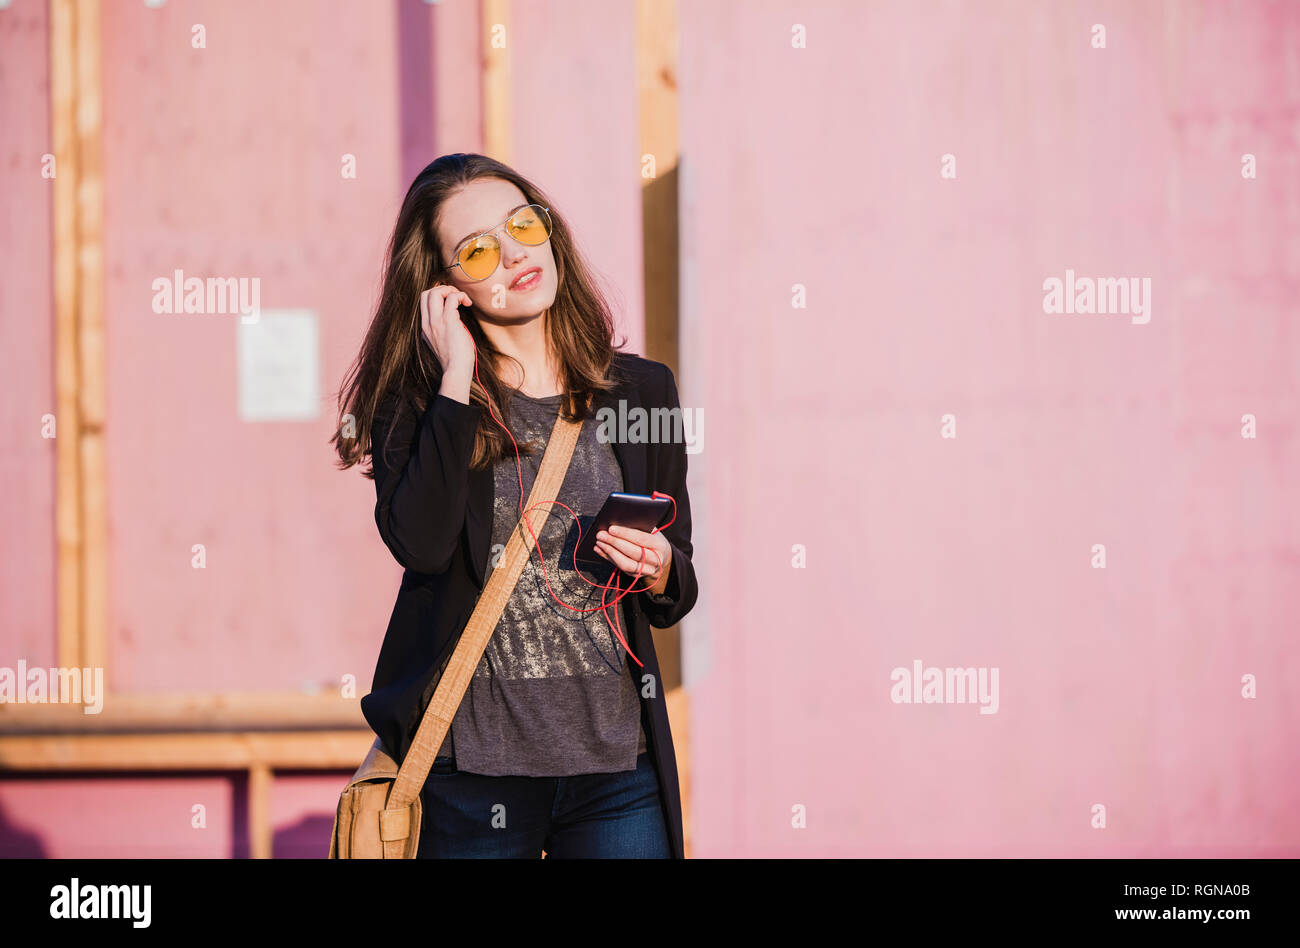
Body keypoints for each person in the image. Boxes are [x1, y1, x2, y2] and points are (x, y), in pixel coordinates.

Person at [332, 153, 698, 858]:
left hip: (617, 771)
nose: (512, 254)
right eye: (476, 249)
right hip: (472, 773)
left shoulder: (641, 391)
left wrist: (656, 566)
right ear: (445, 287)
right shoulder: (419, 405)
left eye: (522, 225)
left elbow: (675, 588)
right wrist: (456, 381)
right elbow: (424, 545)